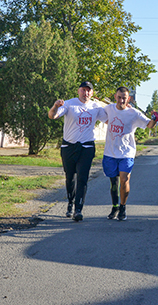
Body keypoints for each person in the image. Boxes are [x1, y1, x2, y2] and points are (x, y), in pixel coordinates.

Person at [48, 81, 107, 222]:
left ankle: (78, 209)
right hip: (69, 147)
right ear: (78, 91)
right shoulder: (69, 104)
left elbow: (111, 119)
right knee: (70, 177)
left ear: (92, 93)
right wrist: (55, 106)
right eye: (83, 90)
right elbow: (52, 116)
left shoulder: (95, 107)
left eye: (88, 90)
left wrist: (125, 110)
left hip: (87, 147)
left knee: (82, 177)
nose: (86, 93)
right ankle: (70, 201)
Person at [103, 86, 158, 221]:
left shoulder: (134, 113)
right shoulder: (108, 109)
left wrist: (155, 118)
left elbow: (149, 125)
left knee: (124, 180)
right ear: (115, 97)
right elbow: (95, 113)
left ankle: (123, 207)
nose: (122, 100)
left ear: (128, 99)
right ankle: (115, 206)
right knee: (113, 183)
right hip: (110, 152)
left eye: (124, 98)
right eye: (119, 97)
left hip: (126, 153)